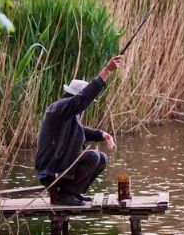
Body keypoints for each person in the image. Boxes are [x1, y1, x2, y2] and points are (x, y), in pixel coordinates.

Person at [35, 56, 121, 206]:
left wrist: (102, 134)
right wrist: (107, 71)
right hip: (51, 171)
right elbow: (83, 98)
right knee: (93, 156)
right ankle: (64, 195)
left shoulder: (68, 114)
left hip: (60, 168)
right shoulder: (59, 108)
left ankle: (72, 192)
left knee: (102, 158)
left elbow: (80, 130)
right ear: (74, 97)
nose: (85, 108)